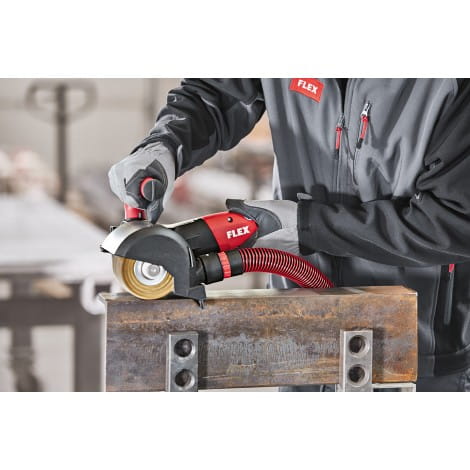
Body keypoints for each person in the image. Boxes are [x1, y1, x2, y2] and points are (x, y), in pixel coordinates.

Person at [108, 79, 470, 392]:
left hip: (422, 352)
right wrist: (164, 145)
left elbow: (455, 221)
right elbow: (217, 94)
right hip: (302, 334)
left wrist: (307, 226)